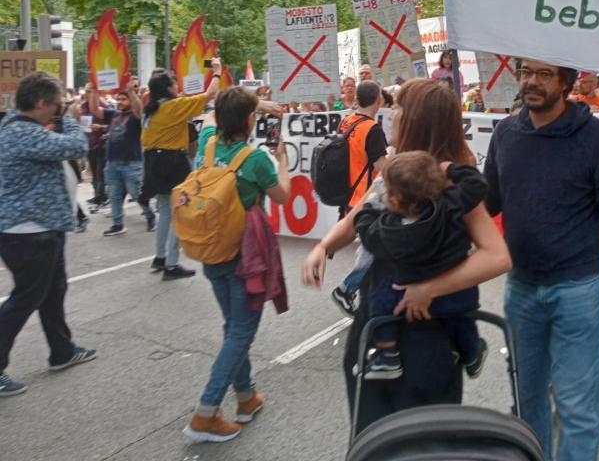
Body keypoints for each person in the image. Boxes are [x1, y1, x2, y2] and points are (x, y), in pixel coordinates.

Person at [302, 78, 511, 433]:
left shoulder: (449, 178)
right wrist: (323, 247)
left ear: (417, 118)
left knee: (423, 443)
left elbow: (497, 256)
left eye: (397, 107)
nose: (390, 114)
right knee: (371, 435)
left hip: (426, 336)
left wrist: (431, 288)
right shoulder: (394, 169)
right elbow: (356, 218)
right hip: (373, 326)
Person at [483, 59, 599, 461]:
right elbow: (488, 202)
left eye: (543, 75)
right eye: (525, 72)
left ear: (566, 83)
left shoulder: (592, 135)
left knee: (577, 410)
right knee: (526, 404)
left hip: (576, 289)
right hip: (520, 288)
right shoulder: (505, 133)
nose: (530, 82)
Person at [183, 87, 291, 442]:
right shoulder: (255, 158)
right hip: (246, 254)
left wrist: (250, 104)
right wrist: (284, 160)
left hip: (212, 248)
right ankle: (206, 411)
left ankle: (247, 397)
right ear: (249, 120)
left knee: (234, 326)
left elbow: (214, 114)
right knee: (242, 331)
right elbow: (282, 196)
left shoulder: (207, 144)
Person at [0, 72, 97, 397]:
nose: (60, 109)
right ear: (42, 103)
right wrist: (70, 119)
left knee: (53, 291)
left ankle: (62, 350)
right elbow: (76, 145)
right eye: (57, 104)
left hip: (43, 229)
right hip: (28, 233)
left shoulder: (24, 129)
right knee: (26, 298)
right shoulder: (20, 133)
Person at [354, 151, 489, 380]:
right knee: (462, 320)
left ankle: (388, 354)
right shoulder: (451, 205)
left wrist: (369, 208)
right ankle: (471, 353)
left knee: (379, 296)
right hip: (456, 295)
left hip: (406, 300)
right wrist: (451, 169)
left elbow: (366, 231)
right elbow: (477, 184)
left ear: (394, 201)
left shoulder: (389, 230)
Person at [141, 63, 222, 280]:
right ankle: (171, 263)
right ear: (168, 88)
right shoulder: (174, 107)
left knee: (165, 210)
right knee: (180, 211)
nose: (178, 85)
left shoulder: (150, 109)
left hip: (152, 161)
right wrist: (217, 71)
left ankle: (160, 257)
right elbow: (211, 94)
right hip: (172, 161)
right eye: (175, 82)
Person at [330, 81, 389, 315]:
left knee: (369, 246)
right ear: (379, 100)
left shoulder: (348, 120)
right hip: (365, 195)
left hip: (350, 193)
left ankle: (361, 293)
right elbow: (381, 165)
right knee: (372, 248)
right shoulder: (372, 129)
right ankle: (347, 288)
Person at [87, 78, 156, 236]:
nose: (120, 101)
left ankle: (150, 216)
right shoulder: (113, 114)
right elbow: (94, 109)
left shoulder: (136, 116)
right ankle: (118, 224)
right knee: (115, 195)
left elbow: (139, 111)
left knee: (136, 193)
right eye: (118, 99)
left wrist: (131, 92)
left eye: (123, 99)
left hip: (131, 163)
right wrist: (94, 91)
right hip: (112, 163)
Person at [80, 83, 109, 210]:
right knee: (94, 172)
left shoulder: (104, 106)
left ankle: (101, 196)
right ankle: (97, 194)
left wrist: (103, 130)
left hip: (101, 144)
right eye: (86, 91)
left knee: (100, 172)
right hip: (89, 143)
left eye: (90, 91)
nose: (87, 94)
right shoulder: (83, 107)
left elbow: (111, 123)